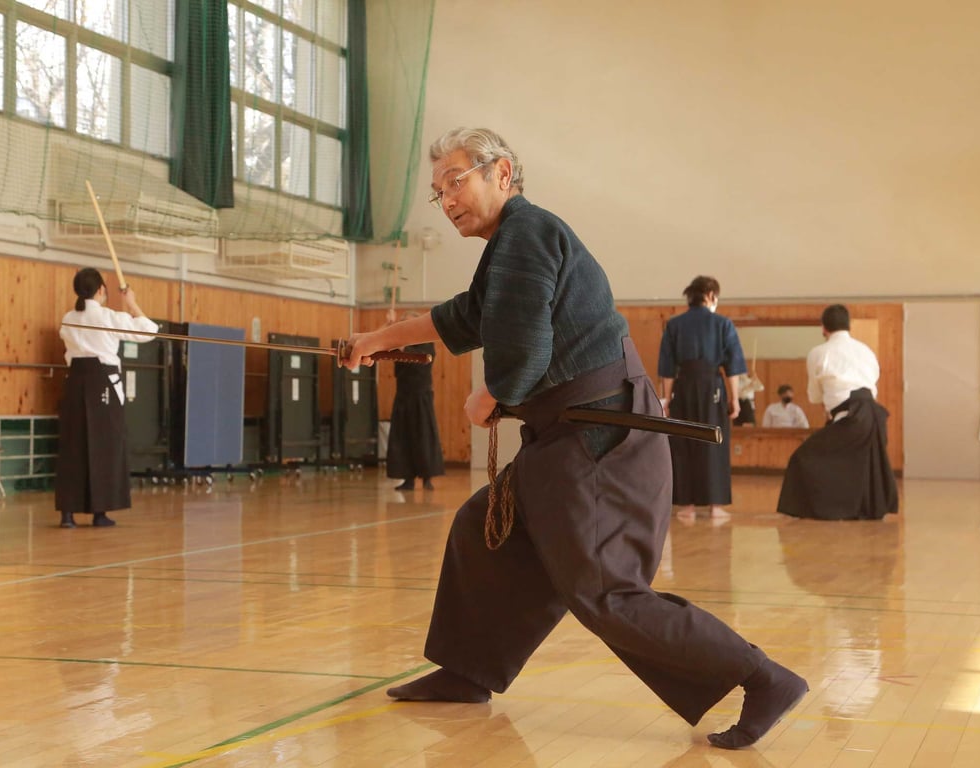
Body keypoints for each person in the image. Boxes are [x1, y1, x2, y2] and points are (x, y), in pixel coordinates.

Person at [342, 127, 807, 750]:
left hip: (601, 439)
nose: (446, 200)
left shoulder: (527, 233)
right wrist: (378, 340)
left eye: (456, 181)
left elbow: (525, 349)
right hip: (572, 432)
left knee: (604, 591)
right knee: (485, 530)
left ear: (502, 174)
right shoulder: (512, 243)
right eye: (437, 192)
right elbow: (464, 316)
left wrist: (491, 396)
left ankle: (763, 678)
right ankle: (468, 671)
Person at [55, 268, 158, 528]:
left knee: (73, 447)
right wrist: (131, 303)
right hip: (103, 384)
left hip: (76, 384)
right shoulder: (109, 316)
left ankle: (68, 513)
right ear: (101, 290)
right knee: (105, 448)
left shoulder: (69, 318)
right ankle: (99, 511)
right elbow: (149, 330)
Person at [777, 304, 898, 520]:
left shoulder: (819, 352)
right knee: (857, 460)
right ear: (849, 325)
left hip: (851, 416)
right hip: (873, 415)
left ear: (823, 328)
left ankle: (824, 508)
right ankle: (861, 508)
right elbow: (872, 382)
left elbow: (815, 396)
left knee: (803, 457)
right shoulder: (866, 351)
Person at [657, 276, 746, 521]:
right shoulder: (723, 324)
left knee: (683, 443)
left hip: (683, 387)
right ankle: (716, 506)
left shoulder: (674, 325)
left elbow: (667, 368)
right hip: (712, 388)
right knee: (714, 443)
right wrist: (735, 399)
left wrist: (667, 399)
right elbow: (733, 366)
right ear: (710, 295)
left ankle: (687, 506)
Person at [386, 312, 445, 490]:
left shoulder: (426, 343)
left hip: (421, 395)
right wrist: (388, 326)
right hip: (403, 394)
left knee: (423, 436)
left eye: (407, 324)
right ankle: (407, 478)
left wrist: (400, 343)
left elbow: (420, 359)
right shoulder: (397, 344)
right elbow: (383, 347)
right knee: (402, 437)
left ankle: (427, 477)